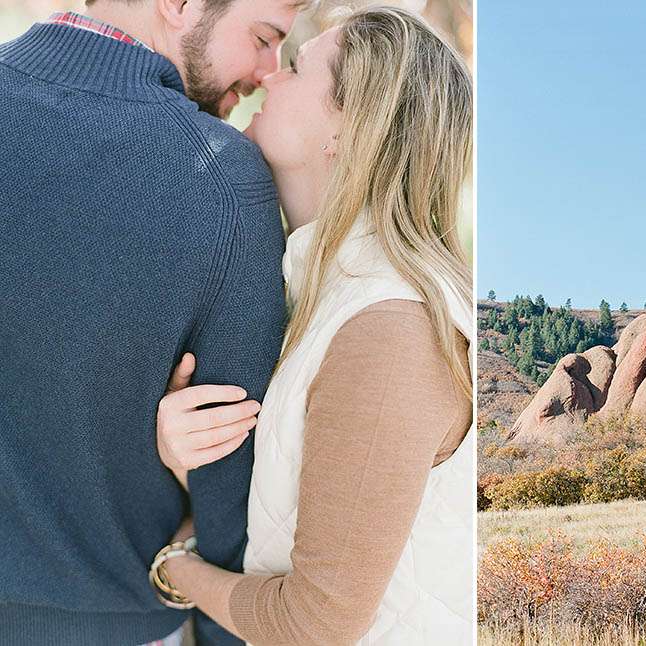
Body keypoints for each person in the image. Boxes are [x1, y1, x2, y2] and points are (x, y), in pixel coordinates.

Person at [149, 7, 475, 644]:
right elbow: (301, 510)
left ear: (348, 129)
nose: (269, 77)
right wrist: (186, 459)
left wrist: (175, 568)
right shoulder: (322, 291)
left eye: (296, 68)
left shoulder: (389, 327)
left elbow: (316, 622)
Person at [0, 0, 306, 643]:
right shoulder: (224, 178)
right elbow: (230, 470)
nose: (266, 70)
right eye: (262, 36)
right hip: (119, 623)